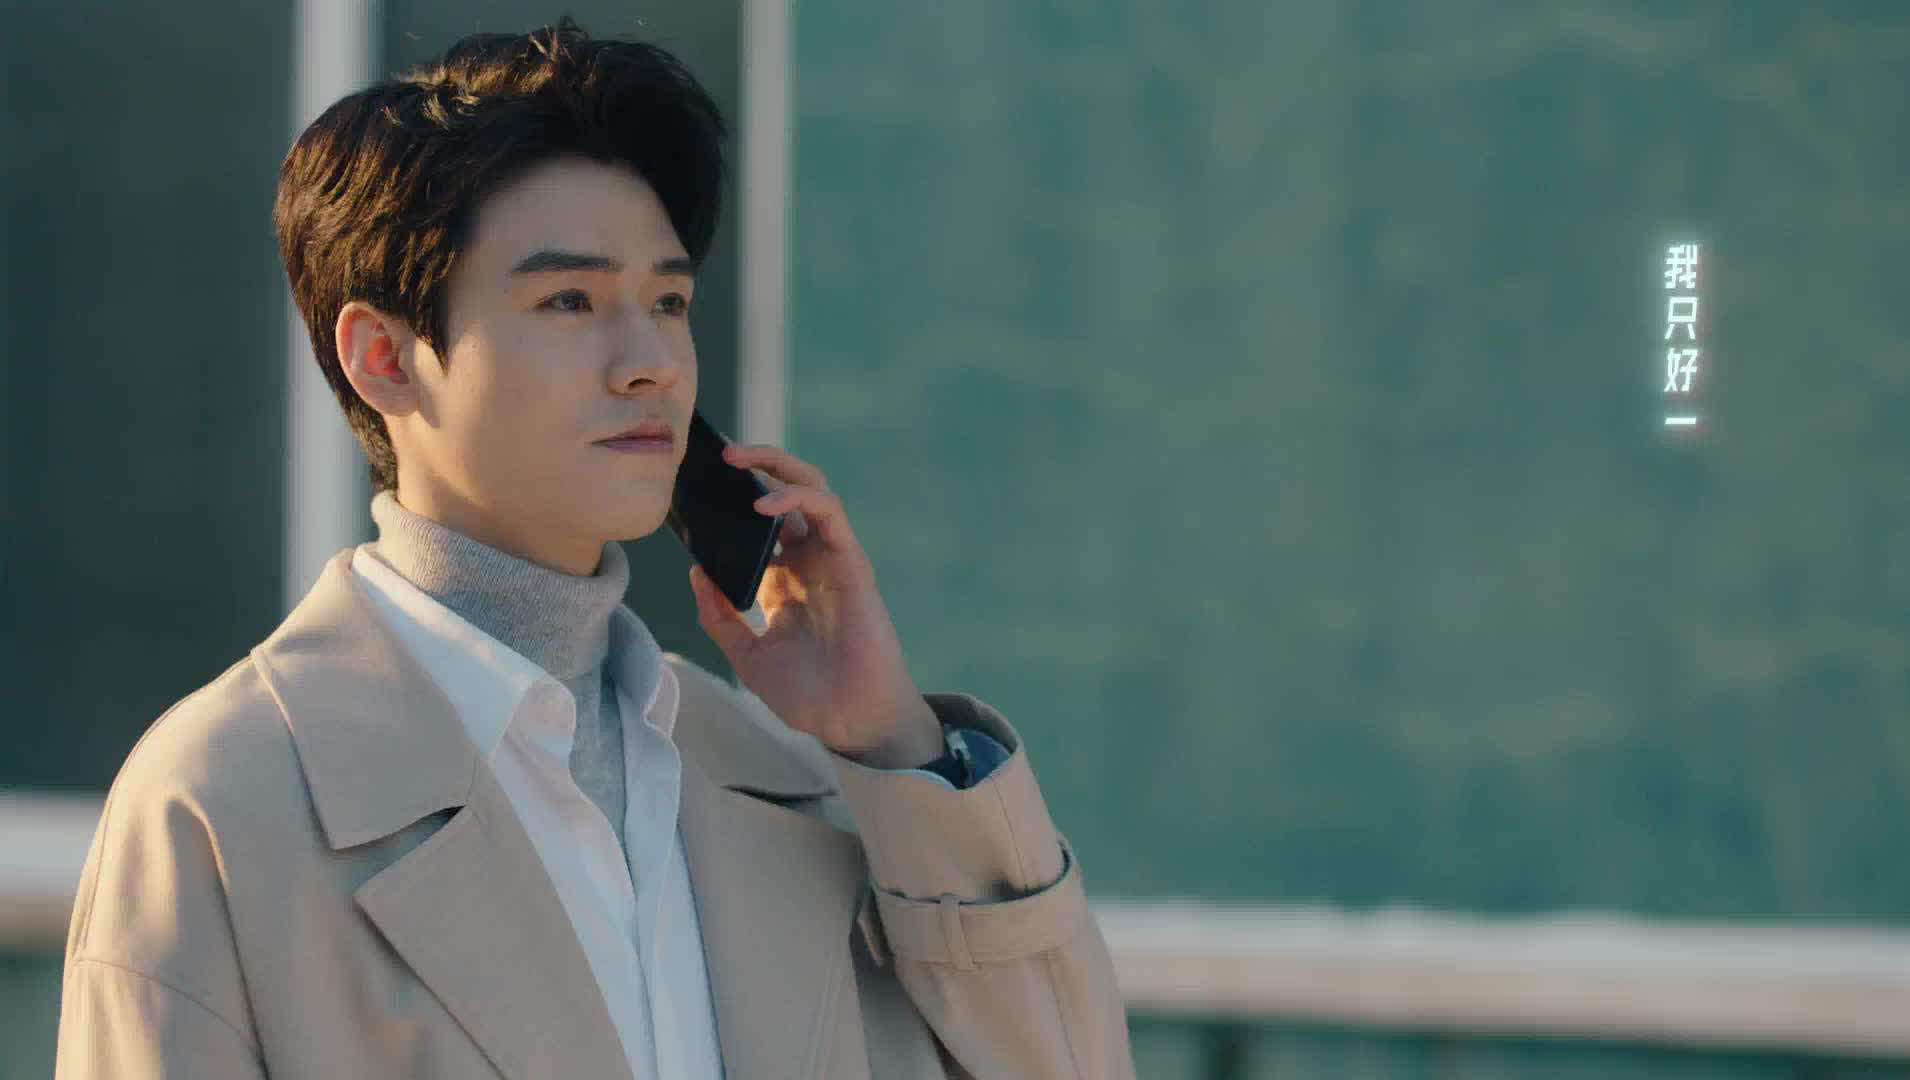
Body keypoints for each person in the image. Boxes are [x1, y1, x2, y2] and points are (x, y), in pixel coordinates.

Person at [52, 16, 1134, 1079]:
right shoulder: (226, 800)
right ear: (383, 356)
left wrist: (889, 737)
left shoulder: (790, 783)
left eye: (668, 300)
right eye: (570, 299)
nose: (649, 360)